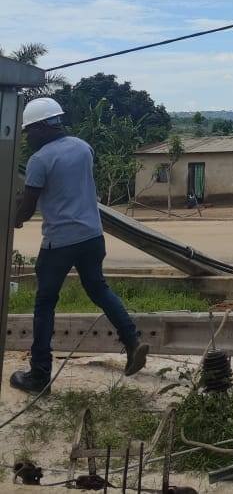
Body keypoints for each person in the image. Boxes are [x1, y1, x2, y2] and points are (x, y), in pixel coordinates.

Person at [12, 98, 149, 394]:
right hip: (92, 237)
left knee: (45, 304)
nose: (28, 138)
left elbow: (28, 205)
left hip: (59, 243)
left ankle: (39, 376)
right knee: (99, 289)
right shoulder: (83, 147)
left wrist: (14, 220)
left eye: (29, 131)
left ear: (42, 126)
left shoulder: (40, 160)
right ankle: (132, 340)